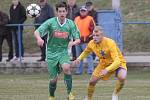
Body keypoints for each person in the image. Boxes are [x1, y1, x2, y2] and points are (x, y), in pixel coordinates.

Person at [34, 1, 80, 100]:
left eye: (63, 11)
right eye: (60, 11)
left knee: (66, 68)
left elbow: (78, 39)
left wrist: (73, 43)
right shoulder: (51, 22)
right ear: (57, 13)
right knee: (53, 80)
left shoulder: (71, 24)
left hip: (63, 51)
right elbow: (37, 31)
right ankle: (51, 96)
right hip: (51, 52)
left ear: (66, 12)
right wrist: (39, 38)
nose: (62, 13)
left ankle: (70, 93)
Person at [73, 26, 127, 100]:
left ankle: (115, 93)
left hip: (117, 63)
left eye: (97, 35)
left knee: (122, 77)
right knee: (92, 82)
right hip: (103, 64)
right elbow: (86, 52)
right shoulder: (91, 43)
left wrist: (107, 70)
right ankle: (88, 98)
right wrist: (79, 58)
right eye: (93, 35)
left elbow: (117, 61)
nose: (95, 37)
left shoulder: (110, 43)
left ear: (102, 36)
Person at [74, 6, 95, 74]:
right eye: (81, 11)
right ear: (80, 11)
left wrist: (89, 38)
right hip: (78, 41)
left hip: (86, 42)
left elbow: (93, 30)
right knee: (79, 57)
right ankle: (79, 71)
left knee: (89, 56)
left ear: (87, 11)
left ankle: (90, 71)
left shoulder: (90, 19)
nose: (82, 12)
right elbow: (73, 29)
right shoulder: (76, 19)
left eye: (84, 11)